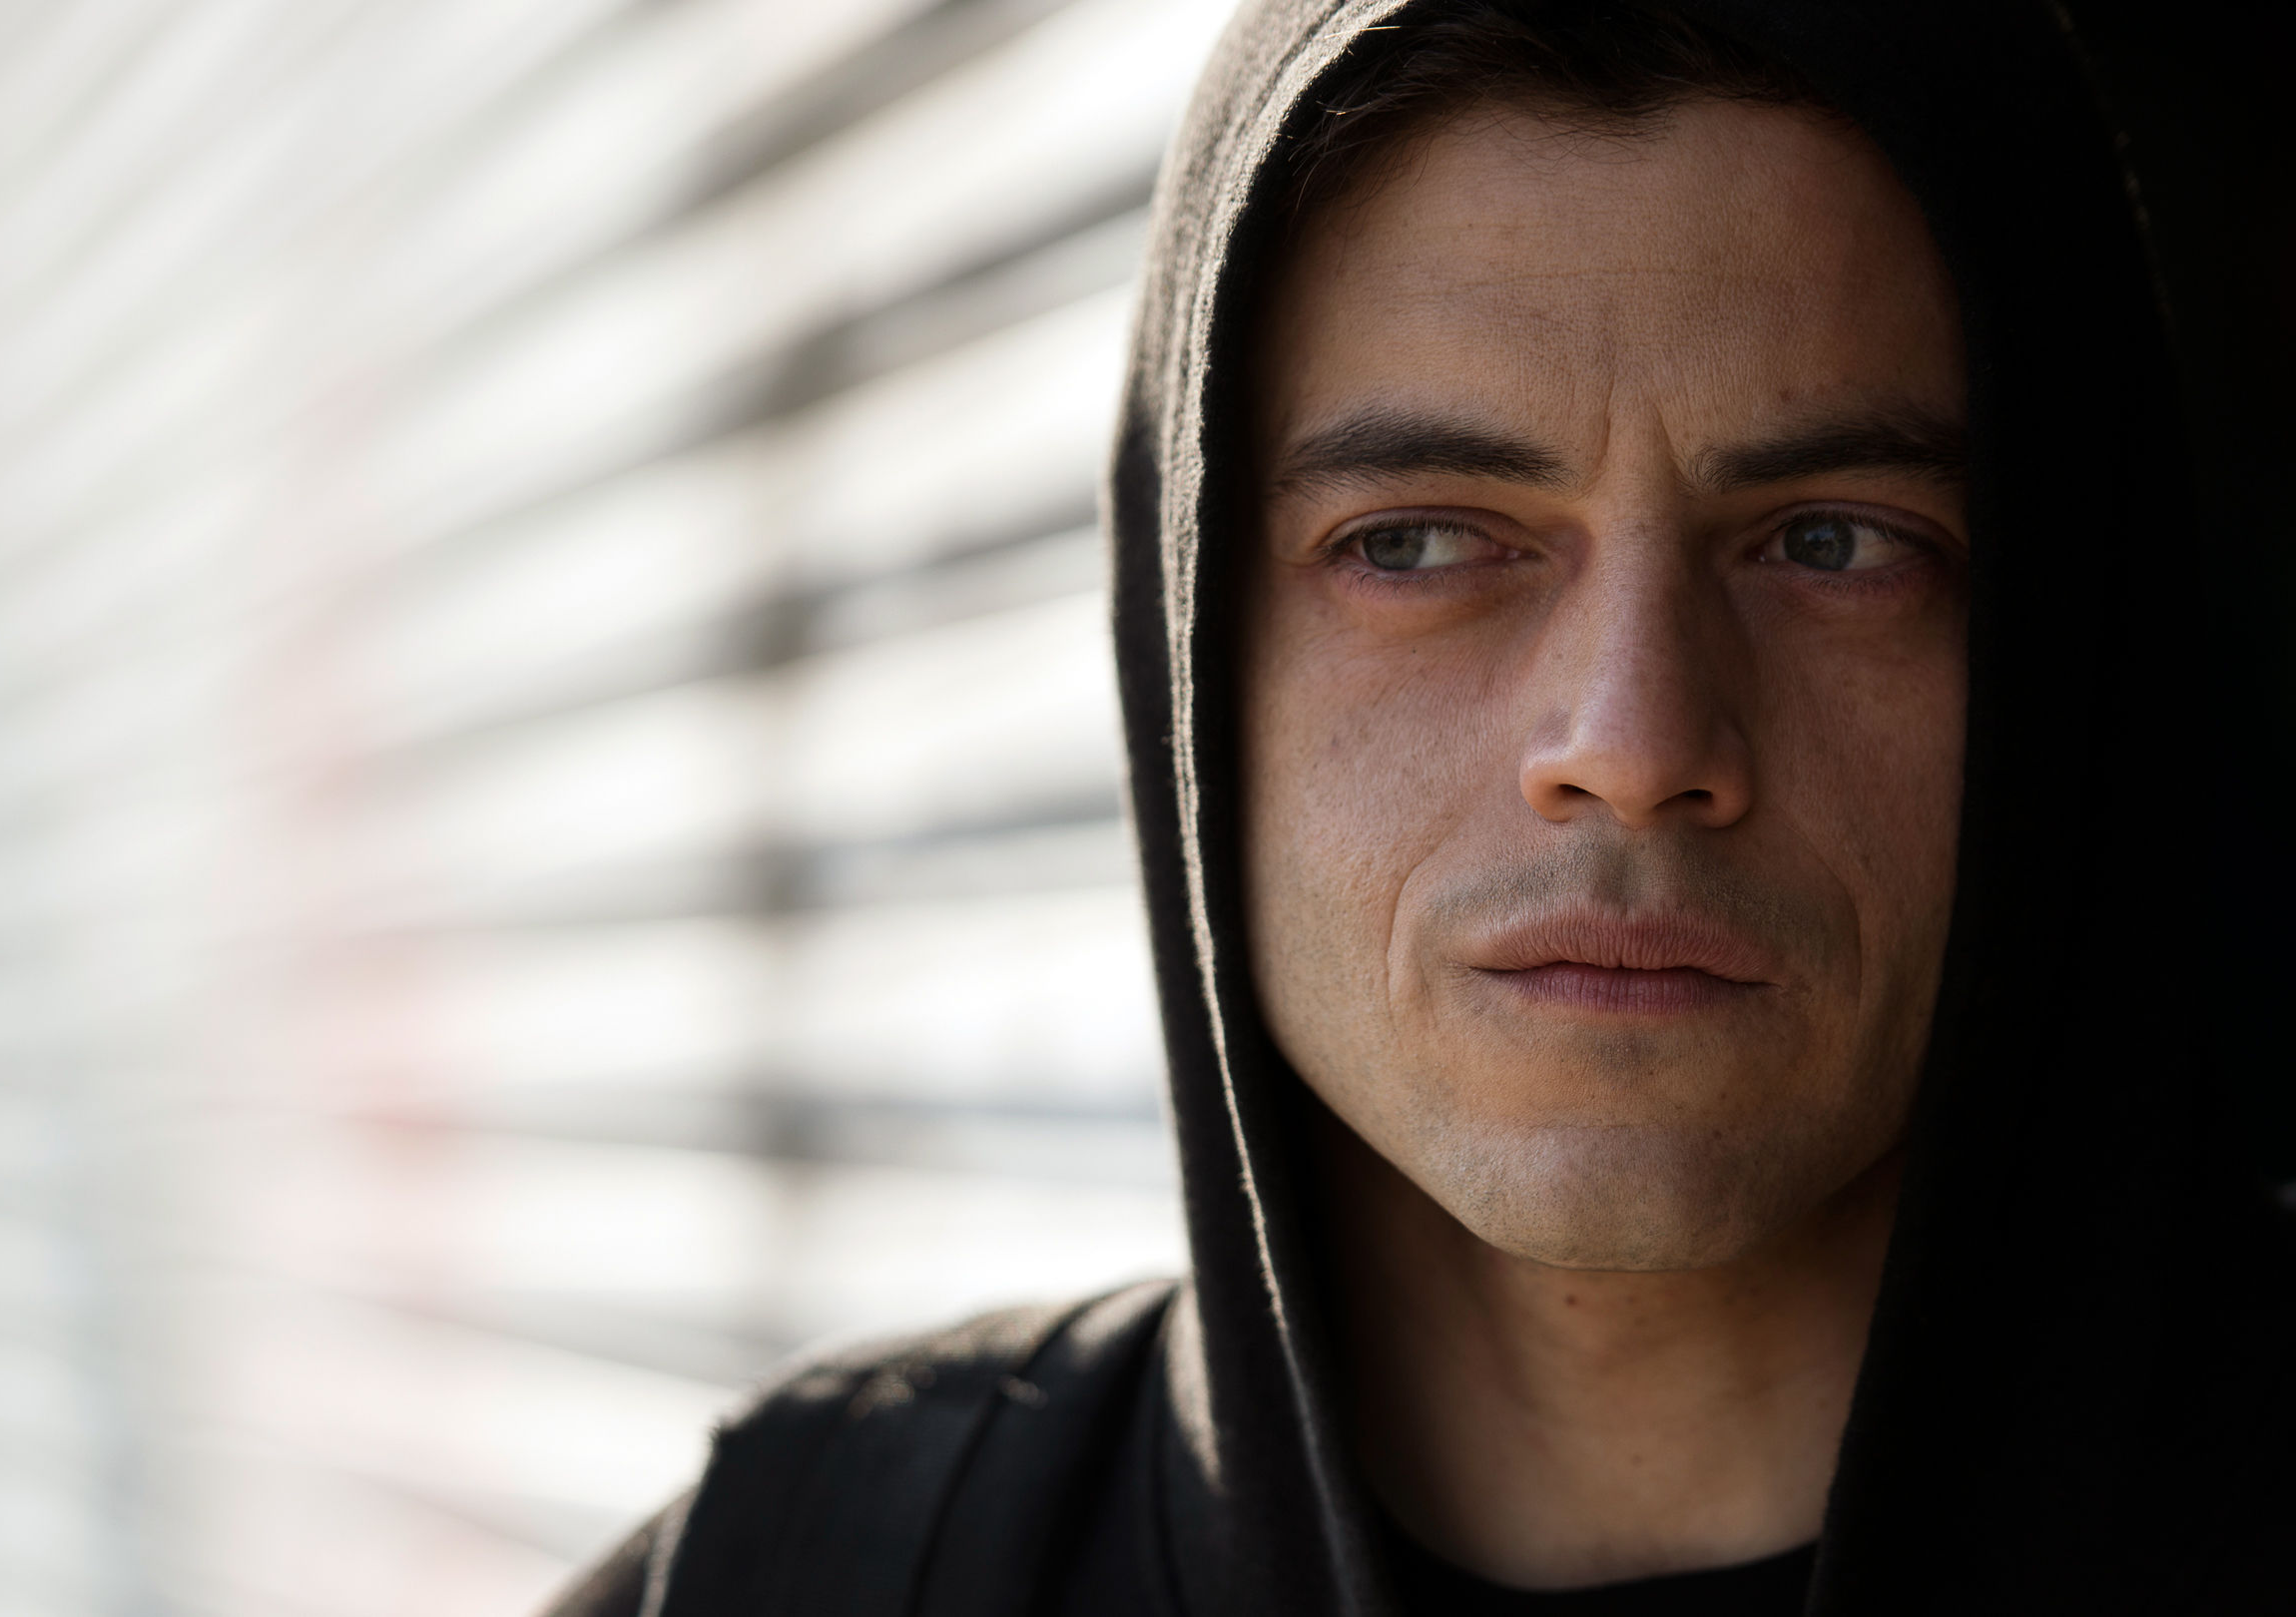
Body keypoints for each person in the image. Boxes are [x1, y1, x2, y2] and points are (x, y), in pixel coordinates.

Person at [548, 2, 2296, 1613]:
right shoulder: (805, 1577)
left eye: (1832, 544)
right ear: (1193, 656)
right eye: (1419, 541)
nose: (1631, 742)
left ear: (2079, 648)